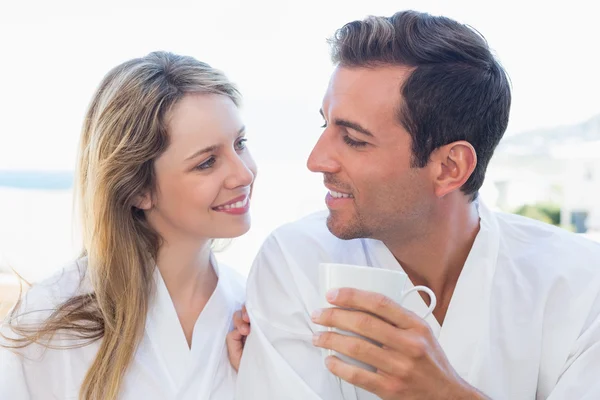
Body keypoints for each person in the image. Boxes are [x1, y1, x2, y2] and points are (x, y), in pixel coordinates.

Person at [233, 10, 600, 400]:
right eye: (326, 125)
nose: (316, 160)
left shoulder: (581, 284)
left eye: (354, 139)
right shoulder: (295, 261)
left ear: (448, 167)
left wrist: (447, 395)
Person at [0, 51, 257, 400]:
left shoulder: (253, 316)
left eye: (240, 144)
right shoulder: (48, 326)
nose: (244, 173)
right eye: (207, 162)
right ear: (139, 189)